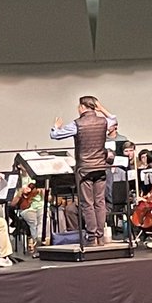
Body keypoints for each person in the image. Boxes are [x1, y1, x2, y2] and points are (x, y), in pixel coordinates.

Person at [50, 95, 117, 247]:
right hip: (100, 167)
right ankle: (100, 237)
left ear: (82, 107)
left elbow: (55, 135)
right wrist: (102, 109)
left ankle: (92, 237)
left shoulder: (77, 124)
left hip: (84, 169)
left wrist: (56, 127)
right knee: (100, 202)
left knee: (87, 204)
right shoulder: (103, 121)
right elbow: (114, 119)